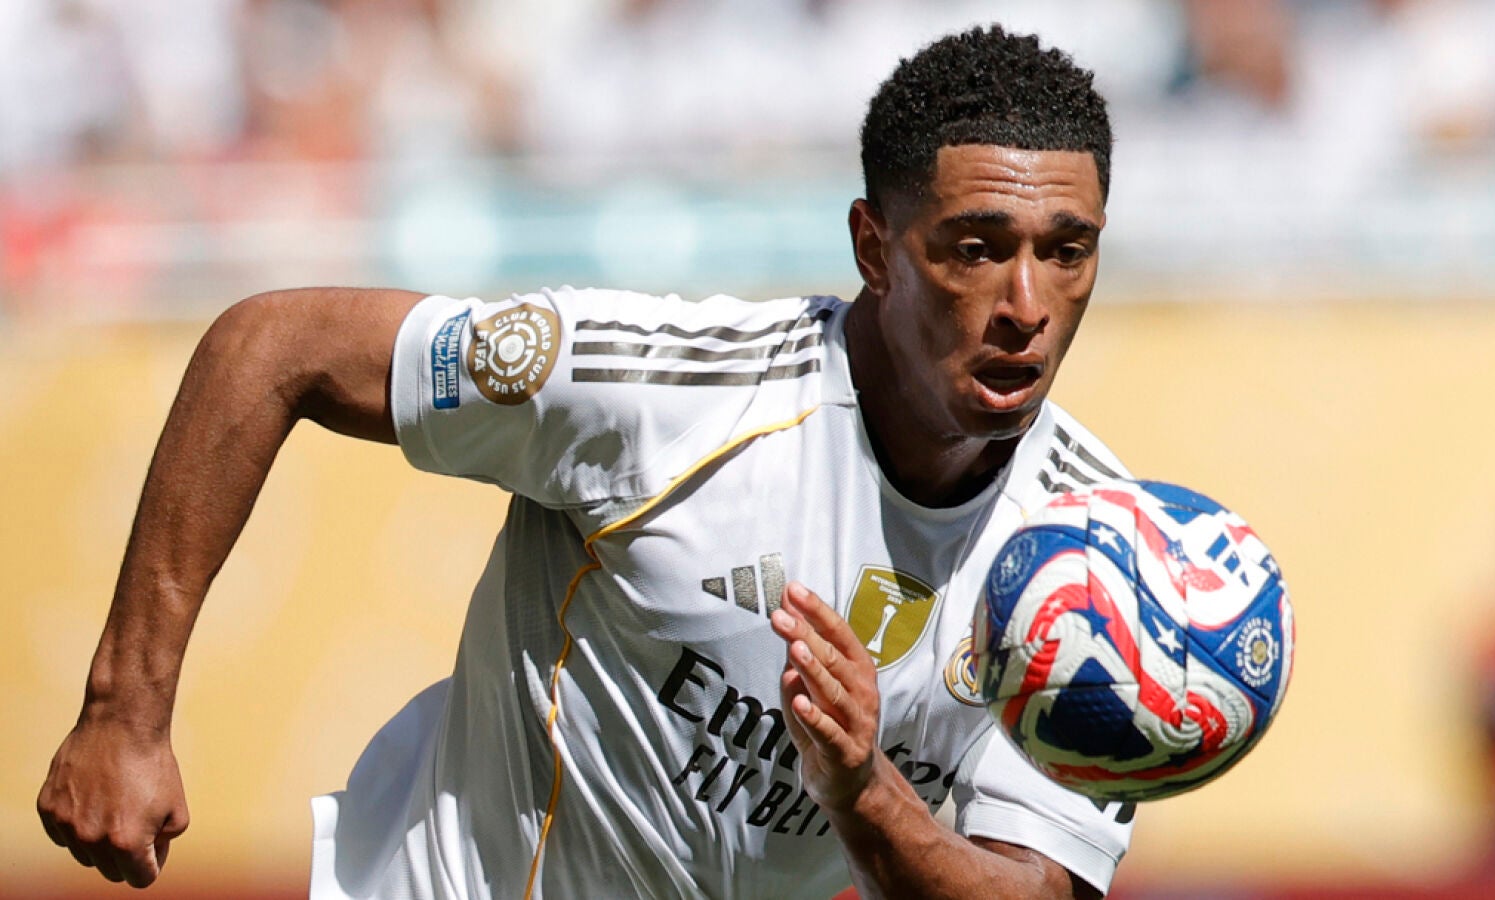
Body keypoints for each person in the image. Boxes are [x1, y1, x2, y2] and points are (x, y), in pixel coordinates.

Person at [38, 25, 1137, 899]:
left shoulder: (1104, 568)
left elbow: (1035, 890)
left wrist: (864, 791)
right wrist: (125, 711)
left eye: (1066, 252)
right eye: (976, 249)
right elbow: (269, 349)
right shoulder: (662, 392)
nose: (1027, 305)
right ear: (872, 248)